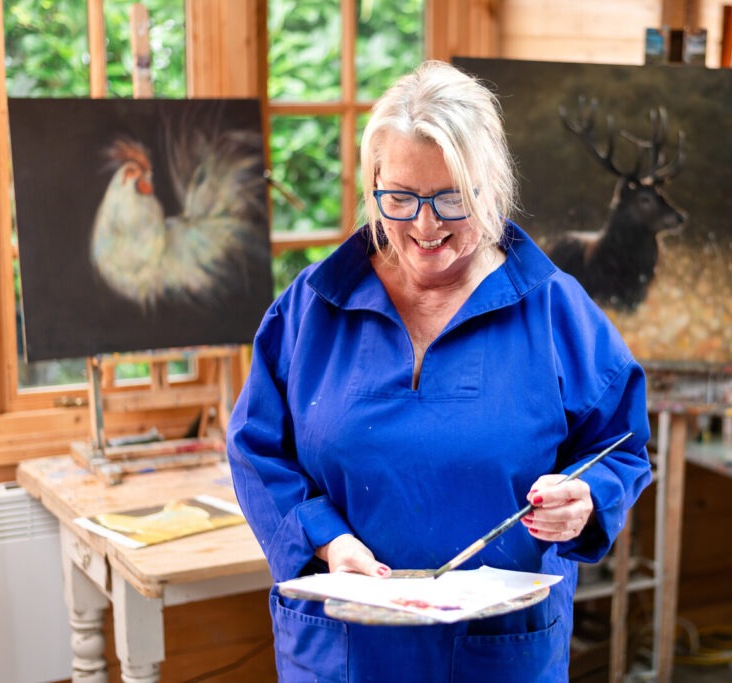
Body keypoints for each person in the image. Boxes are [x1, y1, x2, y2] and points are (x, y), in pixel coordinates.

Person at [227, 59, 653, 683]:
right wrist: (324, 537)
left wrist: (586, 499)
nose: (425, 226)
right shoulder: (311, 308)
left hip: (500, 657)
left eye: (452, 198)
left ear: (491, 185)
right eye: (400, 198)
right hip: (344, 655)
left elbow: (620, 447)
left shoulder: (556, 311)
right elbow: (255, 448)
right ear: (373, 184)